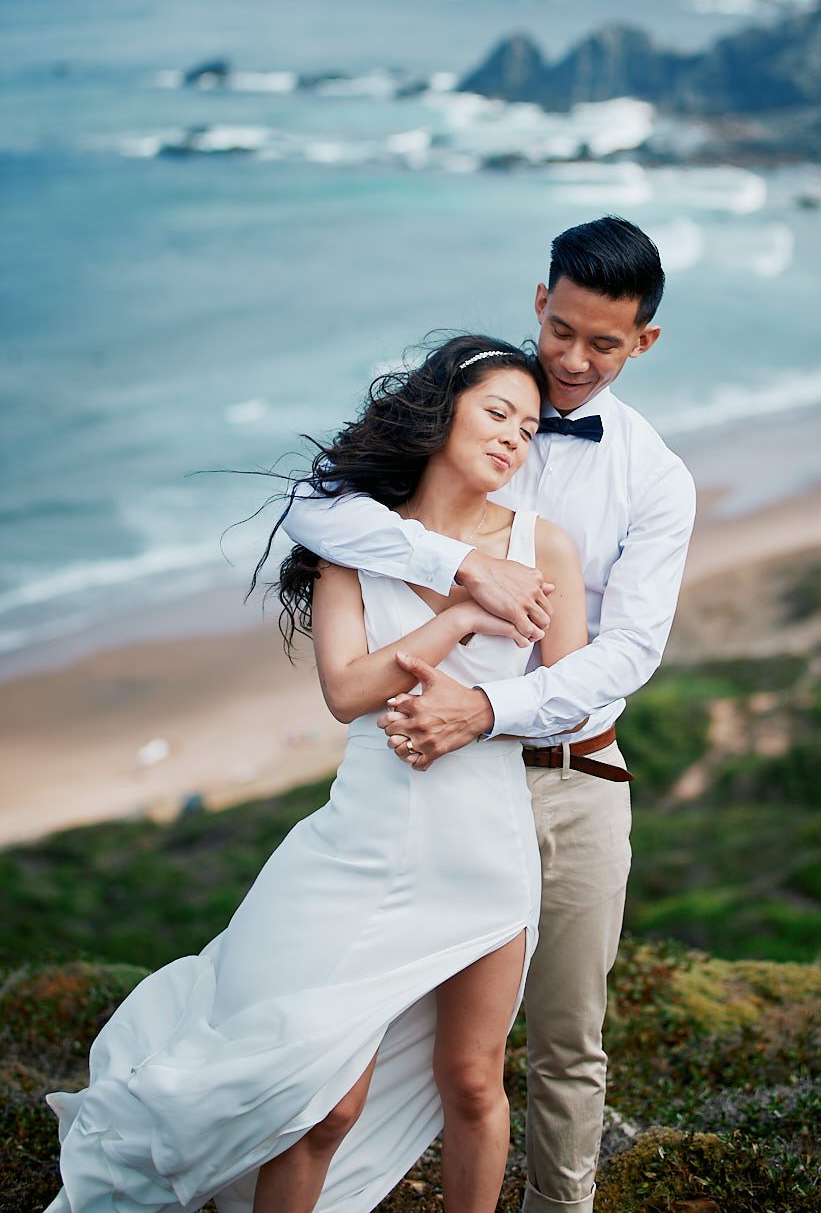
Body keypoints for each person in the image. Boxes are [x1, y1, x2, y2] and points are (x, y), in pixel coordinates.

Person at [45, 335, 589, 1213]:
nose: (510, 440)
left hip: (482, 851)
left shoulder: (544, 547)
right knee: (321, 1104)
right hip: (362, 843)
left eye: (527, 430)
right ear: (438, 410)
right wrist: (456, 617)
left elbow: (574, 696)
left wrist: (477, 715)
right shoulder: (355, 536)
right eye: (496, 414)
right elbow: (347, 691)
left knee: (476, 1087)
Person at [284, 215, 696, 1213]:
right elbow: (314, 505)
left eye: (604, 343)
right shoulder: (478, 404)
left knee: (562, 1040)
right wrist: (456, 562)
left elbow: (628, 652)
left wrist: (489, 708)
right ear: (537, 302)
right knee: (372, 1040)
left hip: (570, 781)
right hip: (429, 787)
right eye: (560, 328)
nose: (573, 359)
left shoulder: (653, 478)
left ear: (643, 342)